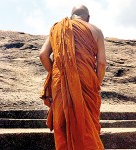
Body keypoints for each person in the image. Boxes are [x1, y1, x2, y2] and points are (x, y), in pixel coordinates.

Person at [39, 4, 106, 150]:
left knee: (62, 125)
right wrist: (95, 84)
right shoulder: (96, 31)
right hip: (87, 83)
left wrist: (60, 74)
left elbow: (43, 55)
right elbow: (101, 62)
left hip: (60, 85)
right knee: (87, 126)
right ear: (88, 18)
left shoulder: (58, 28)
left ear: (71, 17)